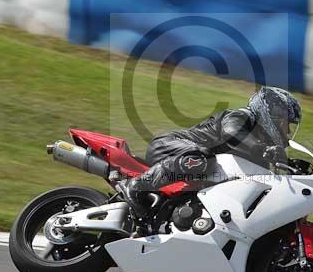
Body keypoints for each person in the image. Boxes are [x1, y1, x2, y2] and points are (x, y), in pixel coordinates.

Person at [120, 86, 302, 230]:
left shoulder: (260, 154)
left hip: (189, 171)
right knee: (204, 158)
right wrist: (263, 149)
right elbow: (231, 133)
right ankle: (138, 186)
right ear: (270, 114)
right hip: (169, 147)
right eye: (285, 123)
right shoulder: (243, 116)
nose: (287, 131)